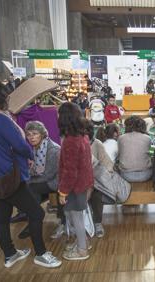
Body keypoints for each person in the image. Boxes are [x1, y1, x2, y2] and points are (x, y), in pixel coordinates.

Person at [0, 79, 61, 268]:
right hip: (11, 176)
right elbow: (20, 145)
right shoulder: (0, 119)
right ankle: (41, 254)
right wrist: (29, 154)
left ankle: (10, 254)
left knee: (2, 217)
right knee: (36, 213)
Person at [58, 102, 93, 261]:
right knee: (77, 216)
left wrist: (63, 191)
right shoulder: (83, 136)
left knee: (76, 217)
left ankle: (82, 249)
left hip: (74, 187)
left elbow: (70, 170)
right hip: (83, 184)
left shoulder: (70, 141)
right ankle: (83, 241)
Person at [16, 121, 61, 239]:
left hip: (56, 182)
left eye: (35, 134)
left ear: (42, 134)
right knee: (24, 186)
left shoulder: (52, 150)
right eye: (29, 134)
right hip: (47, 178)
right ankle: (30, 217)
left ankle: (33, 221)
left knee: (30, 188)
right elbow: (37, 169)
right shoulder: (38, 147)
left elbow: (48, 175)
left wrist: (29, 180)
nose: (31, 137)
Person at [83, 119, 114, 238]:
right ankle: (68, 224)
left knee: (96, 195)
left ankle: (97, 222)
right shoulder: (72, 144)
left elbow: (107, 163)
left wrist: (104, 175)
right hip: (79, 181)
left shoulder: (96, 144)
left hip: (95, 179)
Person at [118, 116, 152, 182]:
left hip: (125, 175)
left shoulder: (121, 138)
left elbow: (119, 154)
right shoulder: (148, 138)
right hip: (146, 175)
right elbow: (151, 154)